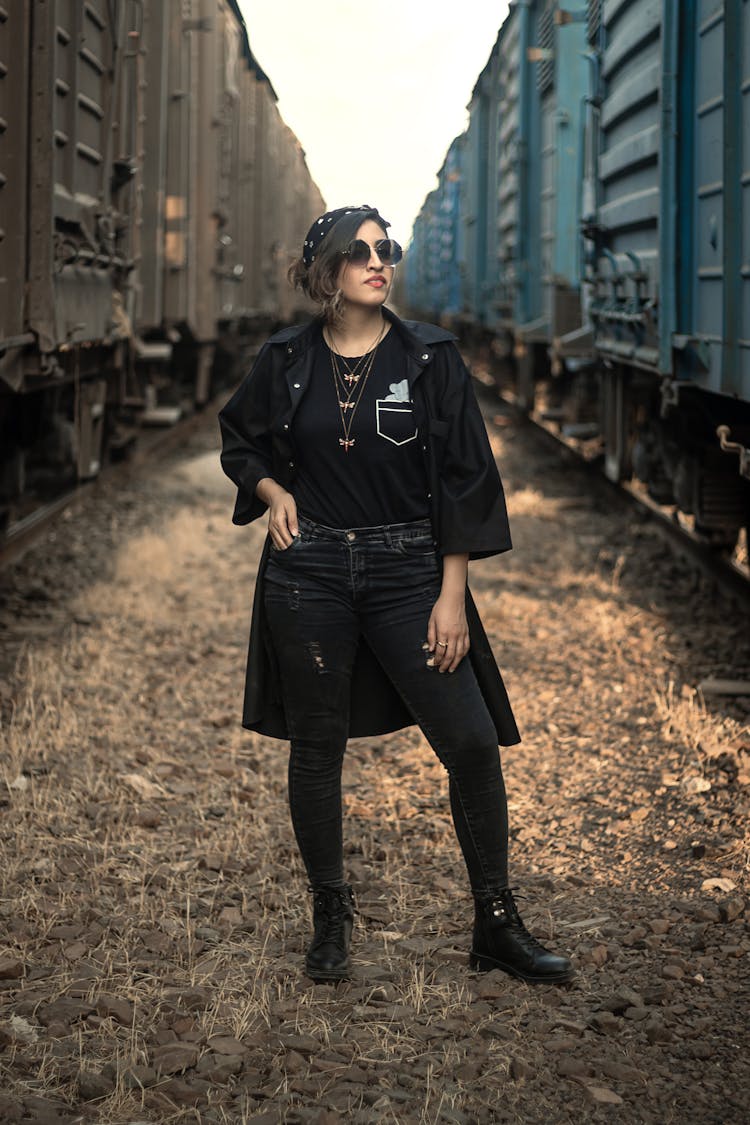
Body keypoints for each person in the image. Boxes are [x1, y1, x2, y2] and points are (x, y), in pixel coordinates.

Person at [219, 205, 572, 985]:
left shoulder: (430, 358)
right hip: (307, 572)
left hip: (409, 570)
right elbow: (239, 440)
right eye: (362, 252)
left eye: (389, 250)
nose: (381, 262)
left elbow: (465, 477)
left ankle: (497, 924)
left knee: (472, 741)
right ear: (327, 272)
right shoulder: (285, 358)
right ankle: (330, 916)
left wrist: (453, 593)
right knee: (317, 747)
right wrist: (274, 490)